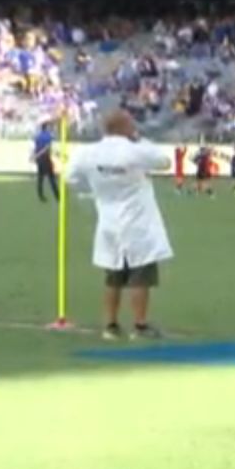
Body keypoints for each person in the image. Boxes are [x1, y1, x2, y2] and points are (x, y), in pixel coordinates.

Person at [63, 109, 176, 341]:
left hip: (108, 220)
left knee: (113, 276)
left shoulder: (87, 153)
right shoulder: (134, 150)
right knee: (140, 277)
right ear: (126, 127)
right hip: (139, 222)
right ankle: (140, 325)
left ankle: (111, 325)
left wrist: (93, 191)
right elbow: (164, 161)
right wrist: (140, 140)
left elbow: (70, 178)